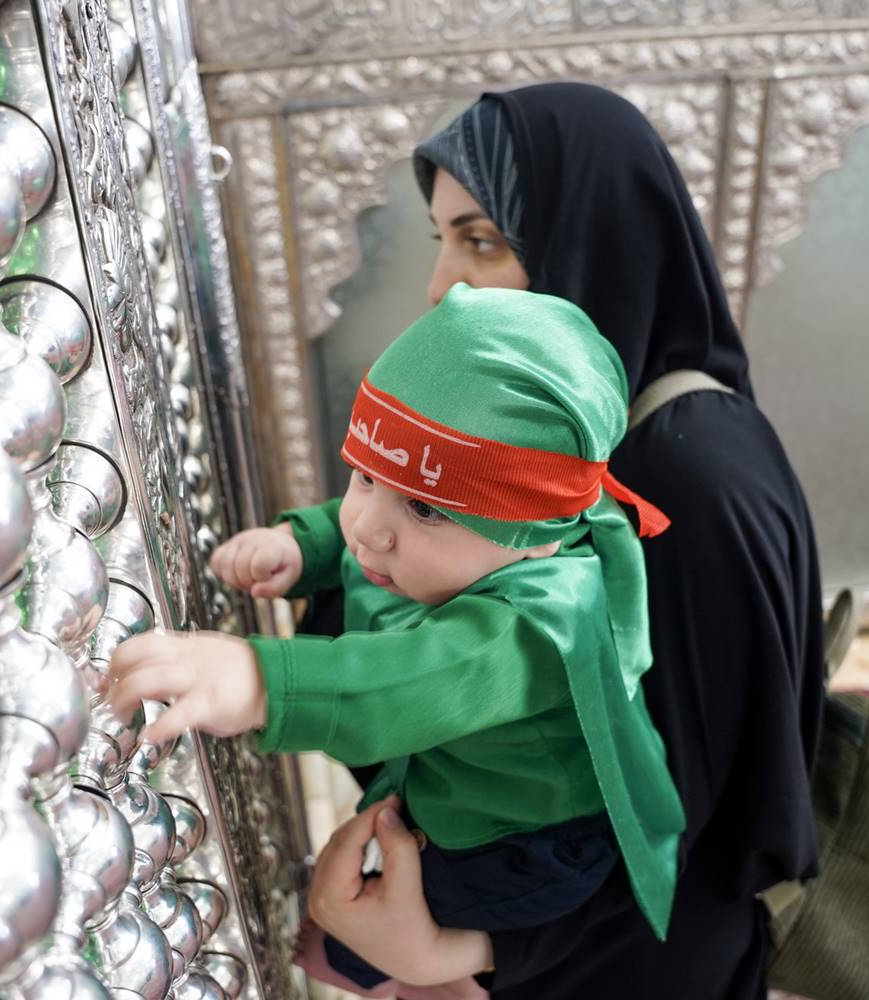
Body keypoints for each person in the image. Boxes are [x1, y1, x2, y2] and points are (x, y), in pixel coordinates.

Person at [301, 82, 828, 999]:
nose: (442, 287)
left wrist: (456, 955)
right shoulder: (576, 443)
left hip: (632, 960)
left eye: (483, 241)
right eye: (442, 240)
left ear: (595, 242)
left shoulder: (690, 478)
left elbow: (696, 817)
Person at [106, 283, 686, 994]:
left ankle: (404, 974)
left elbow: (404, 680)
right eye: (364, 474)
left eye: (424, 509)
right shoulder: (480, 536)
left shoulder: (536, 626)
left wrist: (258, 680)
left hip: (518, 849)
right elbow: (371, 521)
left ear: (532, 533)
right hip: (464, 780)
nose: (370, 529)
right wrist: (305, 543)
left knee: (380, 932)